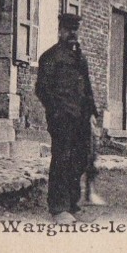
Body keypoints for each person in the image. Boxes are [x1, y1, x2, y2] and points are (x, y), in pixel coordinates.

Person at [36, 12, 98, 221]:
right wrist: (55, 111)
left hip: (81, 118)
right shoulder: (51, 57)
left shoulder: (80, 57)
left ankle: (72, 203)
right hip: (62, 118)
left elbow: (87, 87)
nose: (72, 33)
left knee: (80, 159)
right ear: (60, 31)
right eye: (69, 29)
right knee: (62, 160)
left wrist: (92, 113)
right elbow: (42, 89)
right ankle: (58, 207)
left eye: (75, 30)